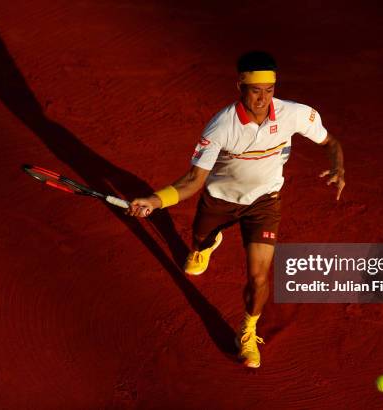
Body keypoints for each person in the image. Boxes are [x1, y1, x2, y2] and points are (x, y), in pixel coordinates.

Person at [126, 51, 345, 368]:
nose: (262, 99)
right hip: (220, 200)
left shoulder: (293, 114)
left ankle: (247, 331)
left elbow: (331, 143)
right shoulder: (220, 126)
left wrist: (338, 167)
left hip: (264, 201)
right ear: (240, 86)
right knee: (199, 240)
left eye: (269, 90)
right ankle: (206, 244)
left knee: (259, 276)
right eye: (256, 90)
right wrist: (154, 200)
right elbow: (192, 181)